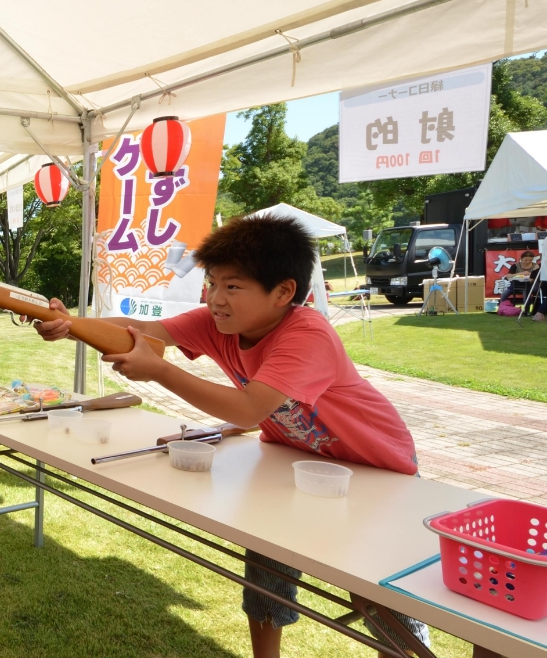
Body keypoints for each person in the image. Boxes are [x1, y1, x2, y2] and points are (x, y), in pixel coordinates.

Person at [31, 214, 428, 658]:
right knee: (265, 569)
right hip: (293, 462)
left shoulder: (307, 333)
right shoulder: (217, 322)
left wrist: (161, 371)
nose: (216, 299)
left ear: (283, 292)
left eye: (233, 287)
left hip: (376, 468)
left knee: (373, 590)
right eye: (212, 283)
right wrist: (72, 327)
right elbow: (138, 333)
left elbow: (247, 408)